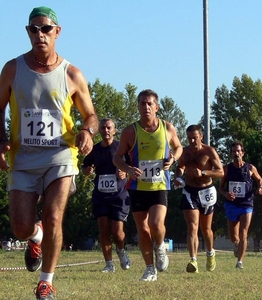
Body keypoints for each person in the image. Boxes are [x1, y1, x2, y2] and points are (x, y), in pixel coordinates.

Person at [0, 6, 98, 299]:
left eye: (45, 28)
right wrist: (1, 140)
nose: (39, 34)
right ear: (28, 33)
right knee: (20, 227)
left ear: (57, 32)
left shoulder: (72, 74)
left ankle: (46, 281)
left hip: (60, 155)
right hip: (23, 158)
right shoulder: (12, 69)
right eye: (34, 29)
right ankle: (35, 237)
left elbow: (90, 115)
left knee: (55, 216)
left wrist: (87, 131)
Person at [113, 89, 182, 282]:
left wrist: (173, 159)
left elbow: (179, 147)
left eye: (149, 104)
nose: (146, 107)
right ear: (138, 107)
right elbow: (116, 158)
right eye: (142, 103)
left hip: (159, 186)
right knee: (142, 230)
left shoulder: (167, 128)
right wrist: (127, 168)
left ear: (157, 107)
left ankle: (160, 247)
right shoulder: (130, 131)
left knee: (155, 224)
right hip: (137, 187)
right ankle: (150, 269)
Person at [82, 118, 131, 273]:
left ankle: (122, 251)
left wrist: (125, 172)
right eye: (103, 128)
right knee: (103, 230)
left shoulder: (121, 148)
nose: (106, 130)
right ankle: (109, 264)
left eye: (109, 128)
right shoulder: (95, 149)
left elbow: (133, 167)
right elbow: (85, 166)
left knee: (117, 232)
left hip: (119, 195)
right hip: (101, 196)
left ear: (114, 130)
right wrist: (87, 171)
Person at [174, 124, 223, 273]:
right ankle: (193, 260)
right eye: (189, 138)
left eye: (194, 138)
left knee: (206, 229)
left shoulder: (209, 151)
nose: (192, 141)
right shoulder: (185, 151)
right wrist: (178, 176)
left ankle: (210, 253)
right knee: (192, 227)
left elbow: (220, 172)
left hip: (206, 191)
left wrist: (203, 172)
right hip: (189, 191)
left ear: (201, 136)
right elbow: (180, 167)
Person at [219, 141, 262, 269]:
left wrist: (260, 188)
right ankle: (237, 244)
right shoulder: (226, 169)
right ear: (231, 154)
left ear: (242, 153)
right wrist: (226, 194)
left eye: (238, 151)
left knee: (244, 232)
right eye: (233, 151)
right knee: (234, 237)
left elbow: (260, 180)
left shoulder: (250, 168)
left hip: (246, 204)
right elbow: (220, 188)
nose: (236, 153)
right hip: (232, 205)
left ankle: (240, 262)